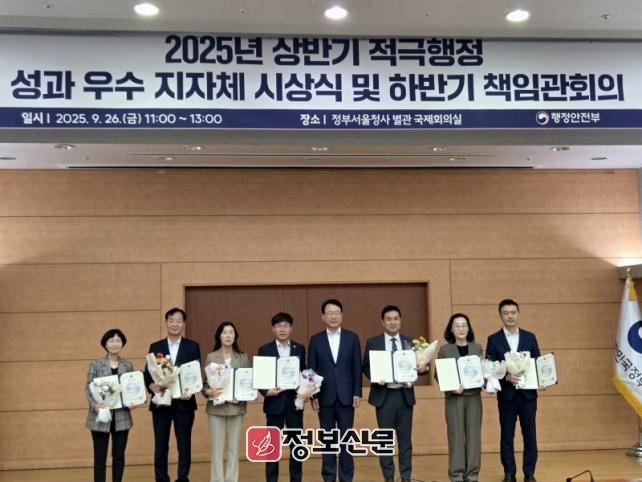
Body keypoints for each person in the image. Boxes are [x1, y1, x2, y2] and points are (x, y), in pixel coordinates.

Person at [362, 305, 429, 482]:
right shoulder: (373, 342)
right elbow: (366, 366)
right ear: (382, 322)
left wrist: (423, 368)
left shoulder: (411, 342)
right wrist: (375, 377)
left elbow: (422, 367)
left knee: (405, 441)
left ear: (400, 320)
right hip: (384, 397)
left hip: (404, 396)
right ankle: (389, 478)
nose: (392, 322)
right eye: (389, 319)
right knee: (385, 441)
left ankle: (405, 477)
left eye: (396, 319)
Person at [486, 299, 541, 482]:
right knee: (507, 436)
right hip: (507, 395)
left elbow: (537, 363)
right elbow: (490, 368)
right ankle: (509, 473)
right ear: (500, 316)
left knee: (530, 435)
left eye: (513, 312)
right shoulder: (493, 339)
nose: (510, 316)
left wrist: (542, 380)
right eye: (506, 313)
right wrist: (505, 377)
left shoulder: (530, 337)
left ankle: (529, 473)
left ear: (518, 313)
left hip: (528, 395)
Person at [308, 298, 362, 482]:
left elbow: (356, 367)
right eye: (329, 313)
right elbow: (311, 370)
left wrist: (357, 392)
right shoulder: (316, 340)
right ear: (323, 316)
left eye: (337, 312)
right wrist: (313, 396)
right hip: (324, 398)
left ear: (342, 315)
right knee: (328, 441)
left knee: (346, 441)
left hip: (347, 397)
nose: (333, 316)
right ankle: (329, 477)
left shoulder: (352, 338)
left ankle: (346, 477)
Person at [144, 308, 201, 482]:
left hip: (184, 403)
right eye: (171, 320)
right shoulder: (156, 346)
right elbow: (148, 373)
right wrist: (150, 385)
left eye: (178, 321)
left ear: (183, 323)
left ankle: (182, 478)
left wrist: (190, 391)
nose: (175, 324)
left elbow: (195, 373)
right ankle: (161, 478)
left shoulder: (192, 346)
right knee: (161, 444)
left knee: (184, 444)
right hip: (161, 401)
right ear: (166, 322)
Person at [257, 312, 307, 482]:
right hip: (274, 404)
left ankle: (296, 479)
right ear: (273, 329)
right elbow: (260, 377)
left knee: (297, 447)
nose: (282, 329)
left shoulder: (299, 348)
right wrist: (266, 391)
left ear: (291, 328)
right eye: (279, 326)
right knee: (271, 448)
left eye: (286, 325)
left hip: (294, 404)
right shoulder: (265, 349)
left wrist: (306, 390)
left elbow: (304, 373)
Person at [437, 313, 483, 482]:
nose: (461, 329)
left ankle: (472, 474)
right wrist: (452, 388)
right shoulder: (444, 350)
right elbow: (439, 374)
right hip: (454, 398)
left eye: (464, 325)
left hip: (474, 397)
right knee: (455, 436)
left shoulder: (477, 348)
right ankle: (456, 474)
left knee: (474, 436)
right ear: (451, 329)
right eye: (457, 325)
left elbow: (483, 371)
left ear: (469, 328)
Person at [85, 328, 134, 482]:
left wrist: (133, 401)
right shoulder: (96, 365)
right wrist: (95, 406)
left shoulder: (127, 365)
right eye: (111, 341)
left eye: (118, 341)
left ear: (122, 344)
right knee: (100, 457)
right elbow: (88, 388)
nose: (114, 344)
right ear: (105, 344)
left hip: (122, 416)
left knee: (119, 456)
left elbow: (131, 388)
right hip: (100, 416)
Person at [203, 321, 249, 482]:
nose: (228, 335)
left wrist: (241, 398)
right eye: (224, 332)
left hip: (236, 409)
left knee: (234, 449)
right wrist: (208, 391)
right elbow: (204, 384)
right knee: (217, 449)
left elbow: (247, 383)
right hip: (216, 410)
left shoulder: (242, 357)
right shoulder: (211, 357)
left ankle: (231, 479)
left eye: (231, 332)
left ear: (235, 336)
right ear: (219, 336)